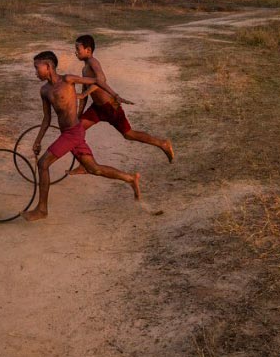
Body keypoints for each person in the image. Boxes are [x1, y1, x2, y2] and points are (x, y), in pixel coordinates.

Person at [23, 51, 140, 221]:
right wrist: (37, 141)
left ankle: (42, 209)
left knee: (43, 164)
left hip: (73, 132)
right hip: (69, 133)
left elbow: (97, 81)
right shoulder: (44, 91)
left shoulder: (68, 80)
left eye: (36, 68)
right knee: (94, 169)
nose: (35, 72)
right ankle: (130, 178)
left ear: (48, 66)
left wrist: (115, 95)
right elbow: (47, 119)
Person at [73, 35, 174, 165]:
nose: (75, 52)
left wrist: (84, 93)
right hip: (97, 108)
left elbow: (101, 79)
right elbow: (83, 96)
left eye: (78, 48)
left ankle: (162, 143)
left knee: (128, 134)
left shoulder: (93, 62)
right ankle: (86, 164)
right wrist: (78, 115)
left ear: (88, 50)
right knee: (76, 130)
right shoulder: (84, 68)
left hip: (110, 106)